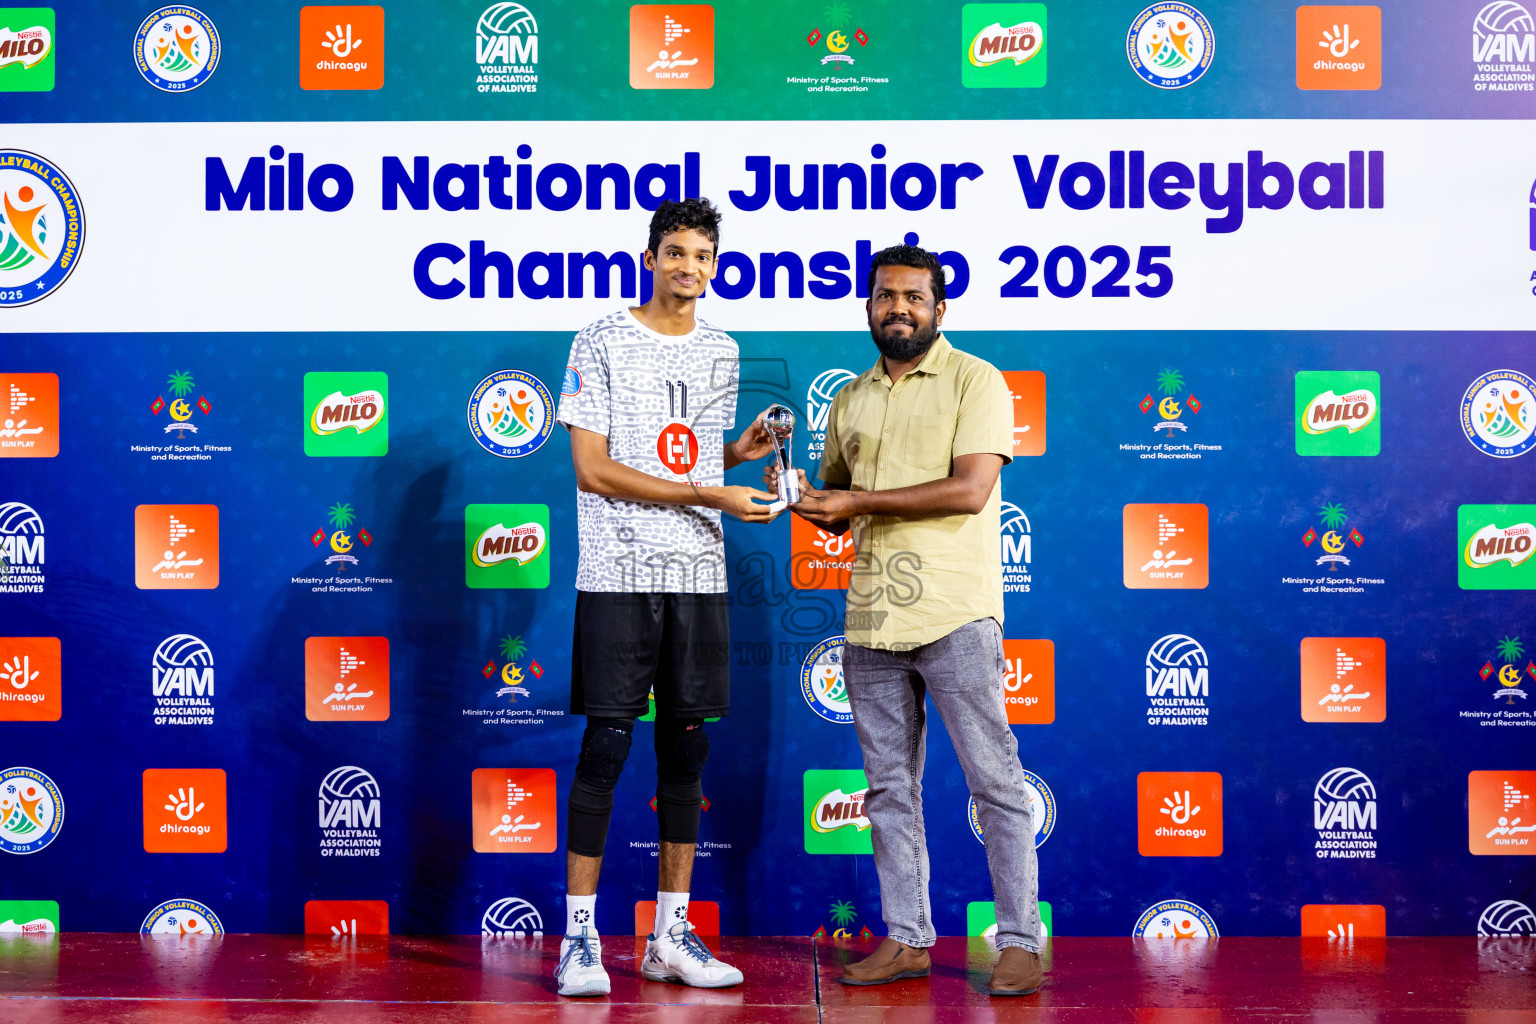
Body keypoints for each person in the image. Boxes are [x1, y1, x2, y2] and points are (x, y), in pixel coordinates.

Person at [775, 244, 1045, 997]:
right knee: (890, 788)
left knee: (994, 783)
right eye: (885, 296)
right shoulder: (850, 399)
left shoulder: (976, 380)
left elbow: (969, 489)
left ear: (939, 309)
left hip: (955, 612)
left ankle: (1021, 939)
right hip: (871, 618)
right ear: (867, 306)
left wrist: (854, 504)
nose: (898, 308)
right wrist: (796, 489)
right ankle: (907, 938)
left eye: (913, 297)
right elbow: (835, 503)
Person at [552, 197, 780, 997]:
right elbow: (596, 468)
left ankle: (668, 937)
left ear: (716, 265)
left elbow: (679, 460)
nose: (690, 266)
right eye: (675, 251)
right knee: (607, 749)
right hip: (619, 574)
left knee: (685, 753)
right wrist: (709, 495)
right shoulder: (601, 338)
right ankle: (578, 940)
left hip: (698, 577)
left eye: (703, 255)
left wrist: (734, 455)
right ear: (649, 257)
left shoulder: (723, 350)